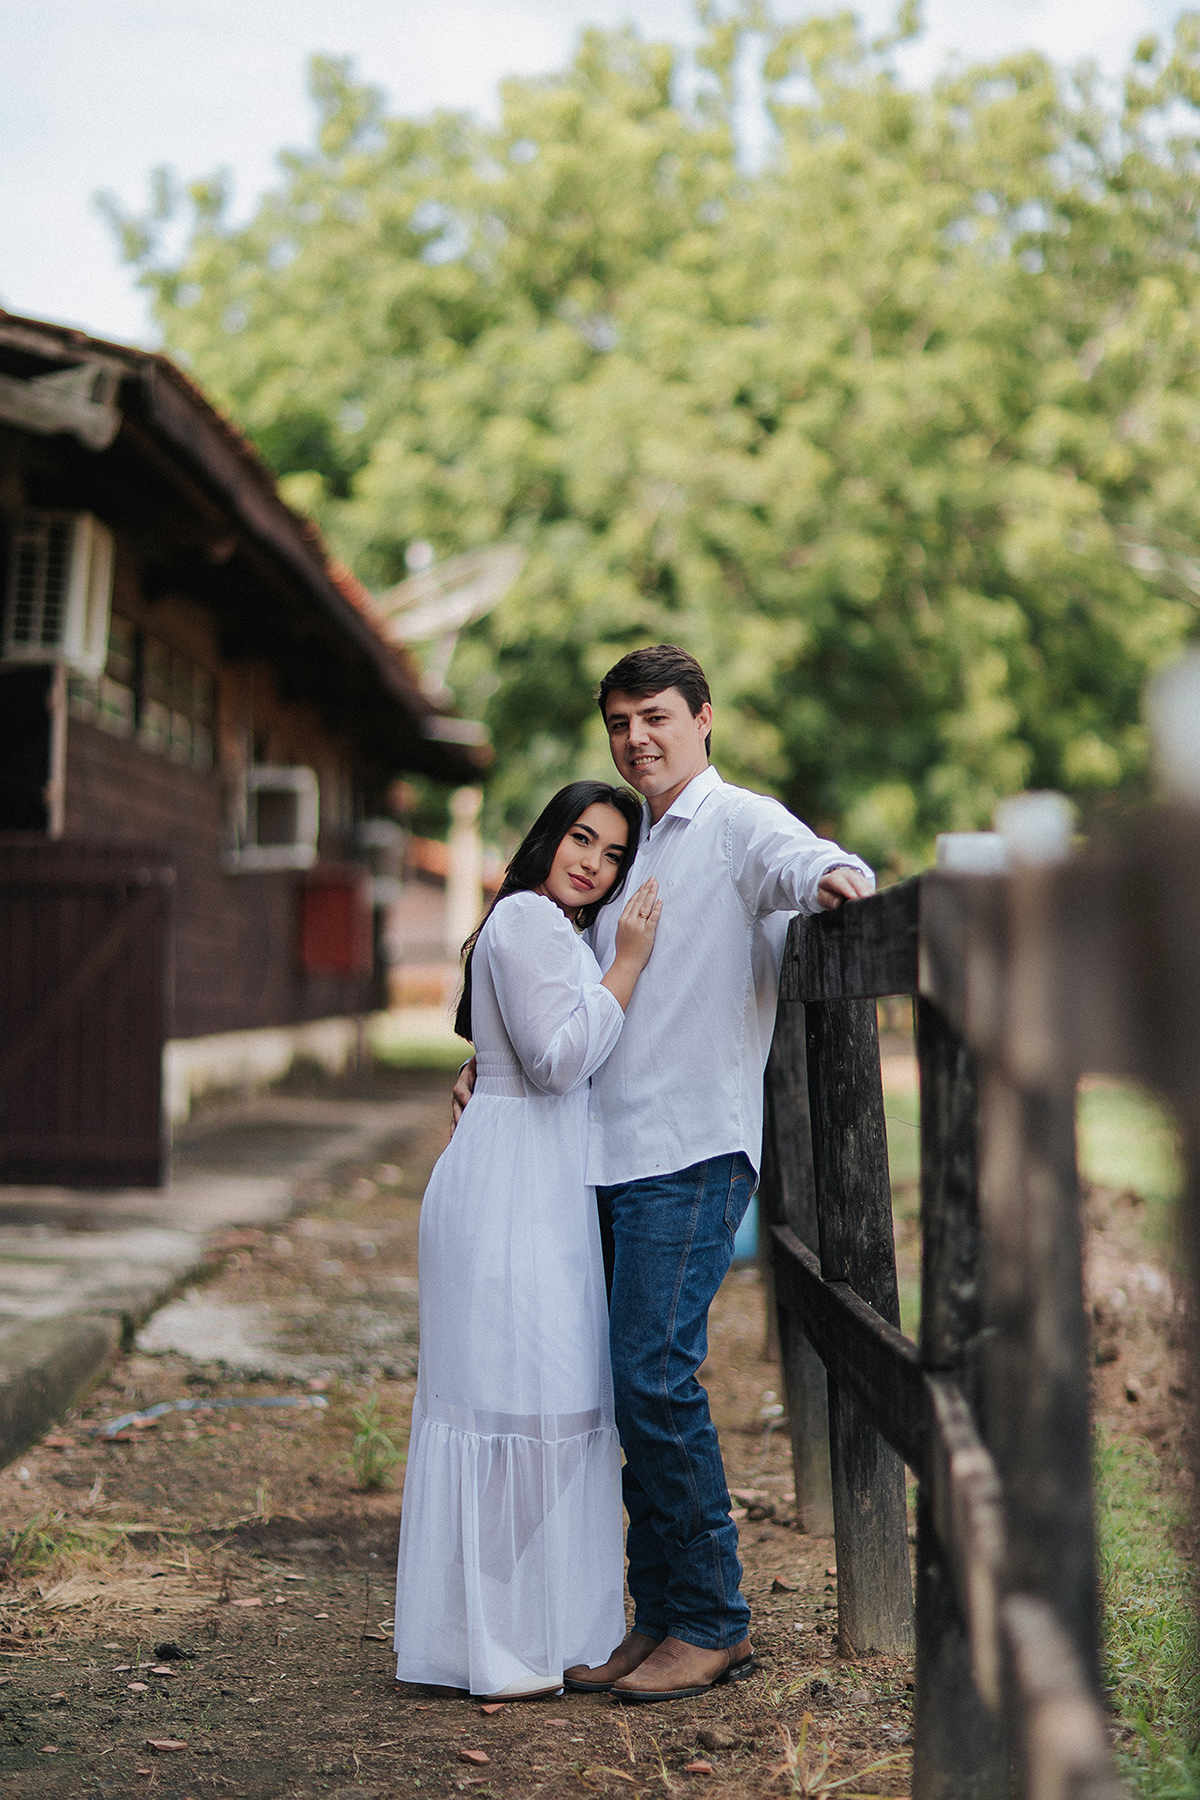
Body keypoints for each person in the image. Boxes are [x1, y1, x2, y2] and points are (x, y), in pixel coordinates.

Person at [454, 645, 873, 1704]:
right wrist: (490, 1061)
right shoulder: (631, 846)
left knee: (654, 1376)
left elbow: (804, 859)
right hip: (598, 1151)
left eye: (656, 717)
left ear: (703, 718)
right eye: (620, 723)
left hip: (687, 1150)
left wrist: (839, 883)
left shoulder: (733, 824)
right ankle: (659, 1611)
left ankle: (714, 1621)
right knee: (620, 1385)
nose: (636, 738)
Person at [394, 780, 662, 1702]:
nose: (594, 863)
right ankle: (494, 1639)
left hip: (540, 1185)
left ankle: (509, 1626)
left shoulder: (559, 932)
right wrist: (628, 965)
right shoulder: (526, 919)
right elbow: (553, 1062)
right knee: (518, 1405)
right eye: (582, 839)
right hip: (508, 1192)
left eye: (614, 855)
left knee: (552, 1405)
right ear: (550, 837)